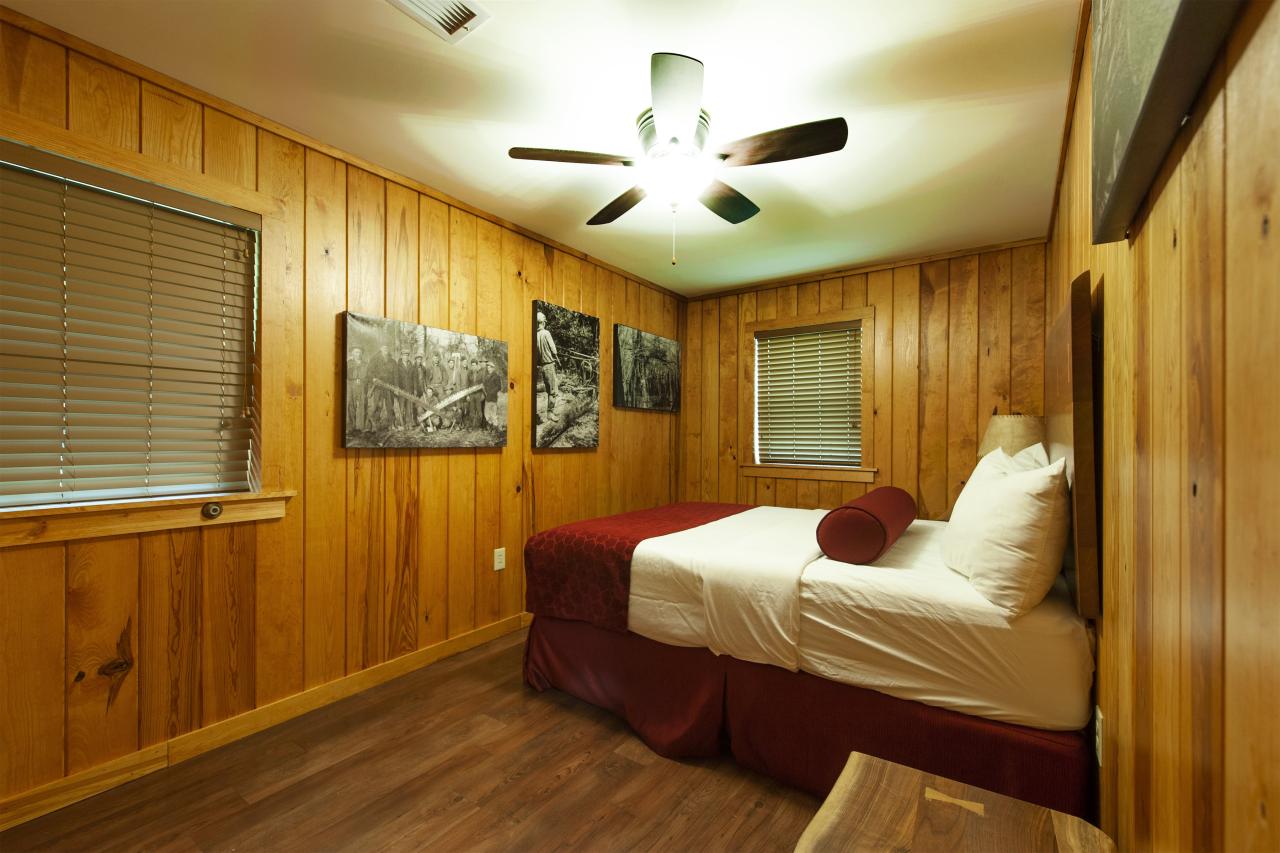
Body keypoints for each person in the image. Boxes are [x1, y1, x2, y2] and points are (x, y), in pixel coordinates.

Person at [536, 311, 559, 423]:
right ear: (543, 323)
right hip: (549, 365)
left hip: (542, 367)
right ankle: (550, 413)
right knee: (553, 391)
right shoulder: (546, 333)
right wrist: (557, 359)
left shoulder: (535, 335)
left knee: (548, 390)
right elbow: (553, 349)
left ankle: (550, 412)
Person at [367, 343, 395, 432]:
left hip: (389, 387)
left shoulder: (392, 361)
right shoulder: (374, 359)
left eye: (387, 347)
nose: (385, 349)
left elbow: (396, 375)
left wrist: (395, 387)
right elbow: (369, 372)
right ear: (380, 349)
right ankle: (375, 425)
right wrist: (373, 378)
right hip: (378, 386)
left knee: (390, 406)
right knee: (378, 406)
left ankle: (392, 424)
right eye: (384, 347)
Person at [346, 346, 367, 432]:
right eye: (356, 352)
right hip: (351, 385)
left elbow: (368, 376)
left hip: (362, 386)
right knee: (351, 404)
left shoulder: (365, 364)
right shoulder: (348, 363)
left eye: (359, 352)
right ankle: (351, 426)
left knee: (361, 405)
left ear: (361, 354)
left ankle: (360, 427)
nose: (358, 354)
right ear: (352, 353)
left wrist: (362, 380)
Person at [482, 359, 503, 429]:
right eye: (488, 368)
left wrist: (491, 392)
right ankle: (490, 426)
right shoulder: (487, 376)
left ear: (493, 368)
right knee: (487, 414)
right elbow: (484, 385)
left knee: (493, 414)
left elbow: (499, 387)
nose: (488, 369)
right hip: (487, 397)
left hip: (493, 398)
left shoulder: (496, 376)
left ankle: (495, 428)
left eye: (490, 367)